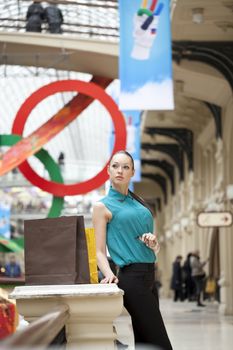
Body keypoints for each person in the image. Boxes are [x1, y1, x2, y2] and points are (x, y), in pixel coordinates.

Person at [92, 150, 172, 350]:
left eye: (126, 167)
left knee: (145, 339)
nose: (120, 170)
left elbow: (154, 248)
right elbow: (99, 251)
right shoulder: (102, 206)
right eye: (115, 166)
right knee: (160, 341)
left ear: (132, 172)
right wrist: (110, 274)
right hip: (131, 278)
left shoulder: (138, 202)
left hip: (149, 276)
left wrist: (154, 243)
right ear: (108, 171)